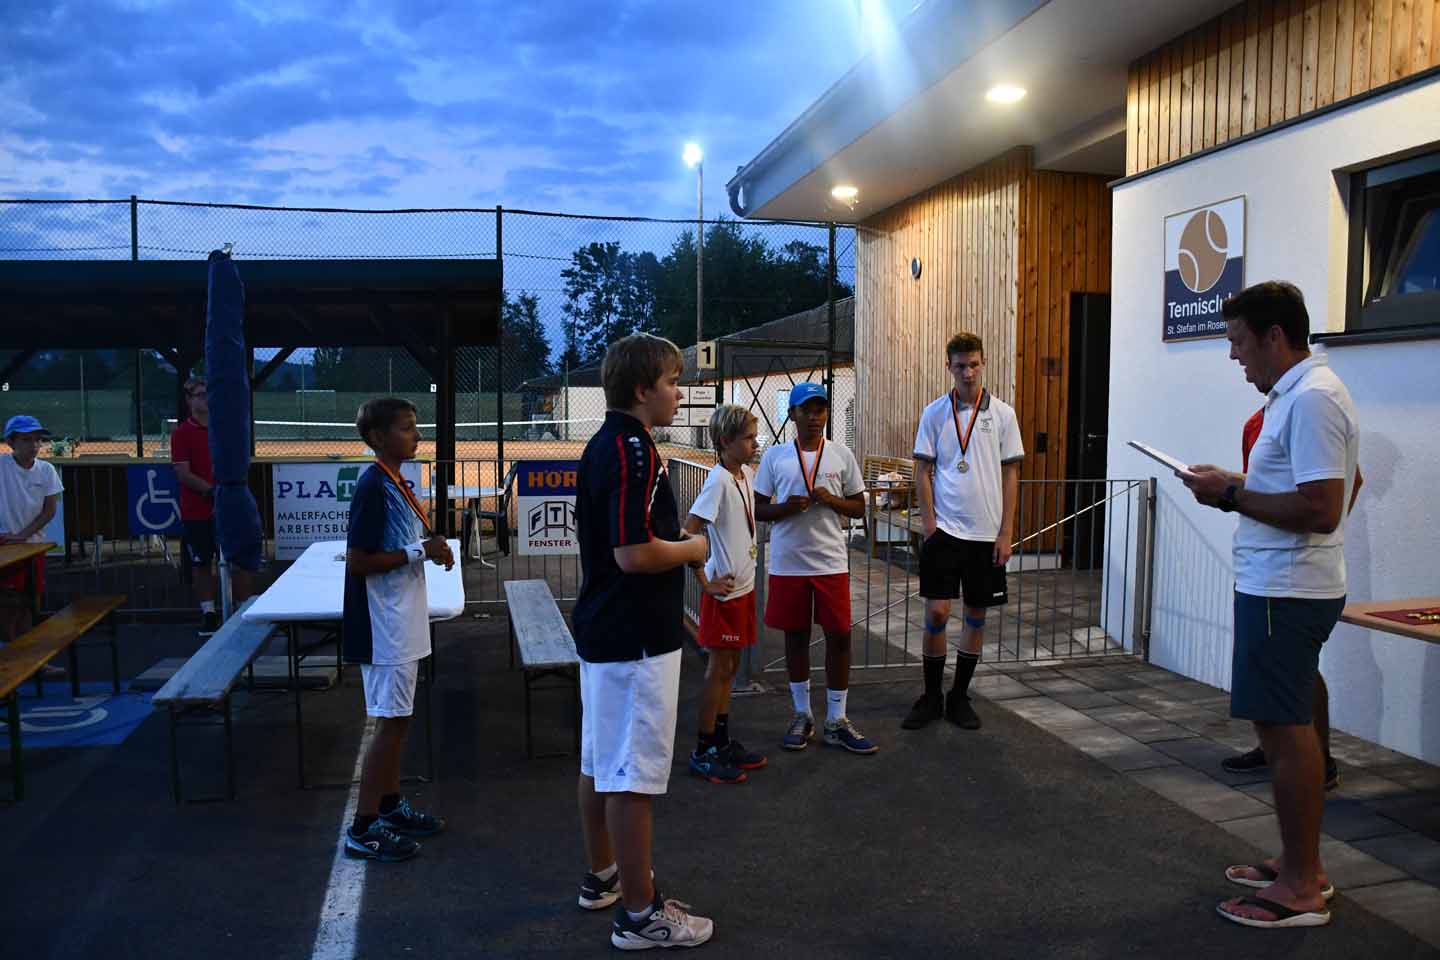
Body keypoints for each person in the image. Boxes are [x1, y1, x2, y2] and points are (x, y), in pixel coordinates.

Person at [1182, 281, 1359, 930]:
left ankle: (1302, 887)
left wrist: (1231, 496)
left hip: (1286, 591)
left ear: (1274, 336)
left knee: (1286, 734)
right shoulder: (1298, 395)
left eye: (1238, 341)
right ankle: (1297, 862)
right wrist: (1234, 483)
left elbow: (1323, 507)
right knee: (1282, 726)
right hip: (1281, 586)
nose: (1234, 355)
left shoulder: (1312, 398)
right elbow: (1343, 486)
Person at [571, 333, 714, 949]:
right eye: (673, 381)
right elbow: (632, 553)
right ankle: (639, 915)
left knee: (600, 762)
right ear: (641, 389)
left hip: (609, 632)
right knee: (631, 777)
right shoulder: (634, 450)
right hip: (634, 638)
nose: (679, 393)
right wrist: (693, 547)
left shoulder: (607, 443)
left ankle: (606, 876)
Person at [1220, 406, 1362, 790]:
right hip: (1277, 571)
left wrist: (1322, 534)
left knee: (1293, 673)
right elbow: (1263, 487)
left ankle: (1313, 762)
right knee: (1290, 672)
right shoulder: (1263, 420)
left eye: (1240, 343)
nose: (1243, 373)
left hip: (1289, 578)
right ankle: (1286, 753)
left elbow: (1339, 491)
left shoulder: (1308, 407)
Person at [341, 397, 452, 863]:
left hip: (400, 620)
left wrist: (425, 547)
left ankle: (388, 806)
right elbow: (358, 561)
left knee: (399, 721)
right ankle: (363, 827)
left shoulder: (393, 481)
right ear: (377, 437)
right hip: (384, 625)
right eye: (407, 428)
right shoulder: (373, 487)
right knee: (389, 725)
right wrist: (419, 552)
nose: (417, 436)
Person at [903, 332, 1023, 731]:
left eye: (973, 365)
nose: (968, 373)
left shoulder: (1003, 414)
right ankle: (931, 696)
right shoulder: (935, 413)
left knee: (976, 615)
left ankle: (959, 696)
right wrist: (929, 525)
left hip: (986, 534)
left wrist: (1006, 532)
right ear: (949, 367)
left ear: (983, 363)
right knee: (937, 612)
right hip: (945, 531)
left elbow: (1011, 473)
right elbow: (922, 470)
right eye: (960, 366)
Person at [753, 382, 876, 755]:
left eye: (820, 409)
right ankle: (802, 714)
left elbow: (859, 507)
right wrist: (787, 507)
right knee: (796, 637)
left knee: (839, 636)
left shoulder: (841, 454)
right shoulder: (775, 457)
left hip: (830, 561)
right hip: (789, 563)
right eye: (806, 410)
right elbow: (758, 508)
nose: (814, 417)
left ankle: (837, 719)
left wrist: (833, 501)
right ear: (792, 414)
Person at [683, 404, 767, 785]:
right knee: (718, 671)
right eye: (748, 438)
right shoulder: (717, 481)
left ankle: (721, 740)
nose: (754, 444)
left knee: (730, 669)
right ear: (725, 441)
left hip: (743, 590)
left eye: (754, 437)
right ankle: (703, 750)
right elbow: (689, 531)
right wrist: (704, 581)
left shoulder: (746, 473)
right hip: (725, 595)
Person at [0, 415, 64, 678]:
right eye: (27, 440)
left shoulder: (46, 470)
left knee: (29, 604)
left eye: (38, 440)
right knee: (7, 605)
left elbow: (49, 511)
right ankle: (12, 661)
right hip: (5, 545)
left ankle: (31, 661)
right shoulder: (2, 466)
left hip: (33, 547)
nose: (34, 445)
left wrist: (23, 535)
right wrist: (12, 537)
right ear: (11, 442)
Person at [170, 376, 221, 635]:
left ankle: (240, 609)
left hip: (226, 509)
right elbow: (183, 473)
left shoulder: (222, 429)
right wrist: (211, 491)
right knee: (202, 563)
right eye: (200, 394)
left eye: (208, 393)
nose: (205, 398)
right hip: (197, 511)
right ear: (189, 400)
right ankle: (209, 613)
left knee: (235, 560)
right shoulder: (181, 434)